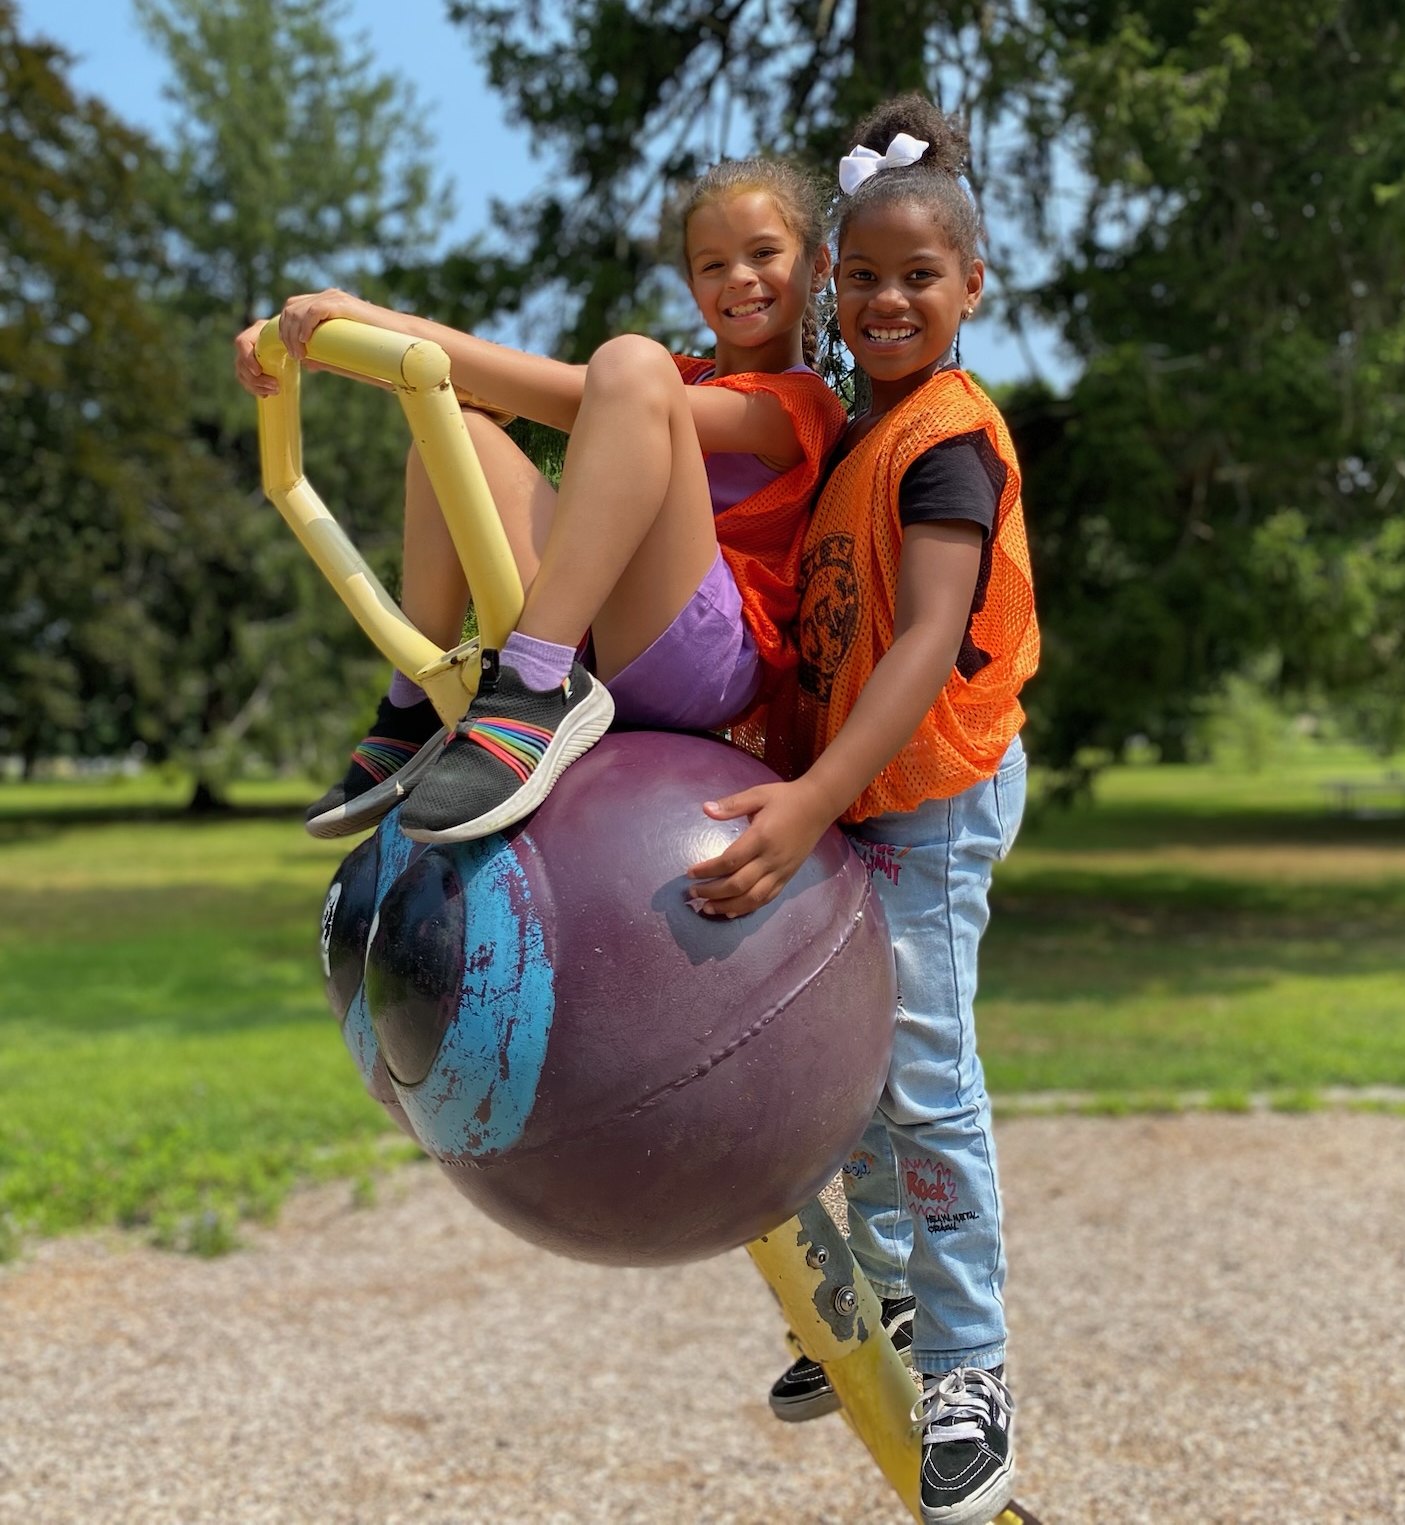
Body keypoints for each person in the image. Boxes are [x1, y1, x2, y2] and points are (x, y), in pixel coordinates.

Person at [686, 98, 1039, 1525]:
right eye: (868, 277)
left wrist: (813, 796)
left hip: (930, 798)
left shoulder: (948, 441)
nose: (890, 298)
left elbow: (918, 643)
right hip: (865, 793)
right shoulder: (857, 438)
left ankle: (971, 1373)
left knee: (926, 1078)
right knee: (854, 1064)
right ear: (836, 292)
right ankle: (885, 1302)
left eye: (920, 277)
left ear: (971, 289)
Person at [232, 157, 846, 844]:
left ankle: (532, 681)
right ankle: (420, 700)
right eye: (712, 264)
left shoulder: (804, 404)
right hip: (610, 637)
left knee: (628, 364)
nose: (738, 277)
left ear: (818, 267)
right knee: (453, 432)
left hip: (709, 661)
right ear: (692, 284)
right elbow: (481, 388)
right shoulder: (668, 380)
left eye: (764, 253)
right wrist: (320, 345)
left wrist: (369, 316)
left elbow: (565, 394)